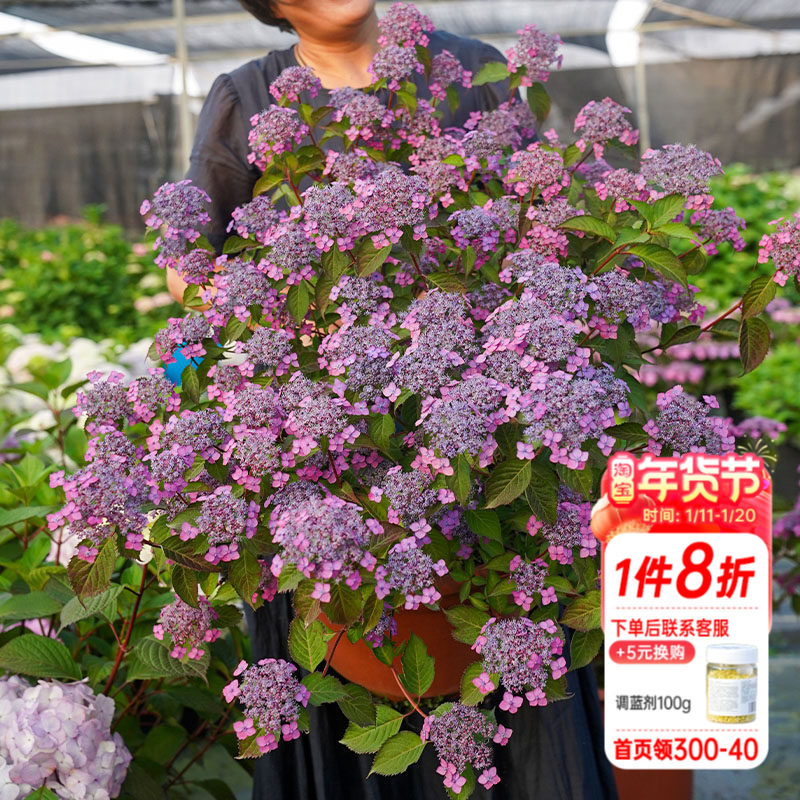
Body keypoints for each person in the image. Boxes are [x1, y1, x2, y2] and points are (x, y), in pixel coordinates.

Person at [168, 2, 618, 798]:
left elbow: (552, 217)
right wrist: (274, 321)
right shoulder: (250, 96)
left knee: (529, 723)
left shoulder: (471, 69)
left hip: (493, 440)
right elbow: (188, 269)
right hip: (330, 470)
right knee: (343, 695)